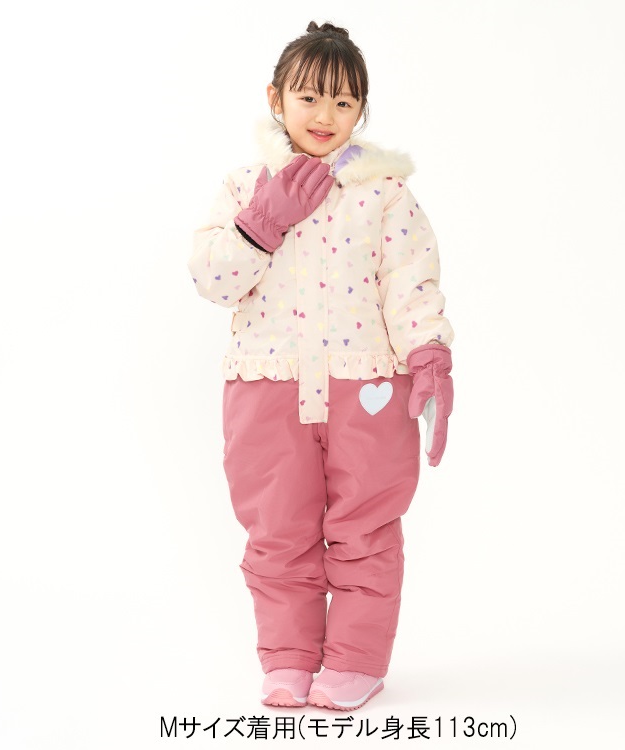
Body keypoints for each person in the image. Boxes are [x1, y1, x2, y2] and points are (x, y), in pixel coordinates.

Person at [189, 20, 455, 711]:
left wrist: (429, 353)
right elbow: (213, 280)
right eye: (309, 97)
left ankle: (356, 662)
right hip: (267, 386)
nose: (325, 115)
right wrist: (263, 221)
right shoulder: (245, 186)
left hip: (366, 387)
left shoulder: (383, 194)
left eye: (343, 101)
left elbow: (411, 282)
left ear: (360, 109)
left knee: (365, 529)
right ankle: (288, 658)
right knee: (276, 529)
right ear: (275, 98)